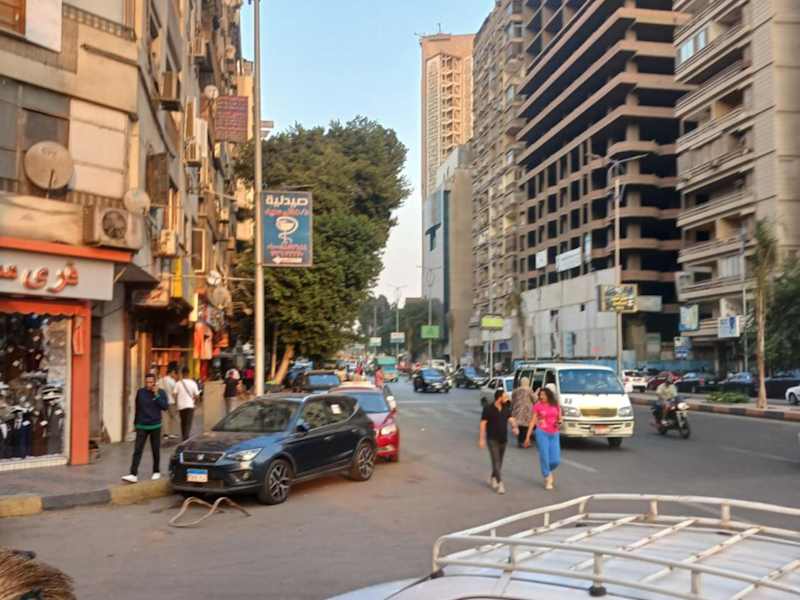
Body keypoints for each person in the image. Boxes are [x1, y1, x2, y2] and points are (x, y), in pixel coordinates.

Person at [122, 373, 168, 483]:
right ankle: (133, 474)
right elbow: (137, 408)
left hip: (155, 425)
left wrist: (156, 395)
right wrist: (135, 424)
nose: (149, 384)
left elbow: (165, 407)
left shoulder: (161, 392)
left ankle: (156, 471)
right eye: (147, 382)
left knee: (155, 449)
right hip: (142, 425)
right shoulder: (140, 392)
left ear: (155, 382)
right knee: (137, 450)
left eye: (151, 382)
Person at [478, 388, 519, 495]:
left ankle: (493, 477)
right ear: (499, 398)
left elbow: (511, 419)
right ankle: (500, 483)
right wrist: (482, 438)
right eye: (505, 397)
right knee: (496, 461)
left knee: (499, 462)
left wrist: (515, 427)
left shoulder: (506, 408)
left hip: (503, 439)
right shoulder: (488, 409)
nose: (507, 398)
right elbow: (483, 423)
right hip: (492, 439)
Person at [525, 386, 562, 490]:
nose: (541, 397)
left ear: (548, 395)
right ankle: (547, 477)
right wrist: (527, 437)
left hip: (554, 433)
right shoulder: (537, 406)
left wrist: (559, 422)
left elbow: (560, 418)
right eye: (540, 395)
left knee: (556, 460)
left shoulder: (555, 405)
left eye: (543, 395)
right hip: (542, 433)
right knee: (544, 456)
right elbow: (533, 421)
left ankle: (548, 470)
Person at [175, 366, 200, 441]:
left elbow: (174, 394)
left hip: (181, 406)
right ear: (189, 373)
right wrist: (195, 402)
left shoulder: (178, 383)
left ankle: (184, 437)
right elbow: (197, 396)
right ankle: (185, 438)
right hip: (190, 405)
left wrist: (177, 402)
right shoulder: (193, 383)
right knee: (188, 423)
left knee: (183, 422)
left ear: (182, 374)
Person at [511, 377, 535, 447]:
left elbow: (512, 400)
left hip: (517, 411)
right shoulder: (529, 390)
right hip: (527, 411)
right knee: (526, 427)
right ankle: (525, 442)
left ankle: (520, 442)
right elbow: (534, 399)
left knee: (519, 427)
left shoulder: (515, 391)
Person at [158, 362, 179, 441]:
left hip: (163, 402)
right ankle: (171, 433)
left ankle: (165, 434)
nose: (175, 375)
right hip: (171, 402)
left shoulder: (161, 380)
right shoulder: (172, 381)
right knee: (173, 418)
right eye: (175, 373)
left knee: (165, 418)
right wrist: (177, 402)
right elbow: (175, 393)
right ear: (172, 372)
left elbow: (158, 389)